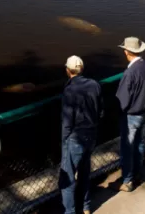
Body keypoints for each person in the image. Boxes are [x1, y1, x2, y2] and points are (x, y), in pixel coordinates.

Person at [59, 55, 103, 214]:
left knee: (67, 178)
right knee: (84, 174)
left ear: (67, 70)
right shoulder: (94, 85)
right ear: (82, 69)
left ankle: (69, 211)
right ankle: (85, 206)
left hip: (75, 138)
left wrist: (64, 140)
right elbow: (100, 110)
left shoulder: (69, 90)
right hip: (91, 135)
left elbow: (67, 120)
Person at [114, 37, 145, 192]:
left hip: (131, 116)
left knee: (127, 148)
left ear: (126, 52)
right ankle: (137, 173)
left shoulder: (130, 73)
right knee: (139, 144)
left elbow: (122, 99)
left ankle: (128, 181)